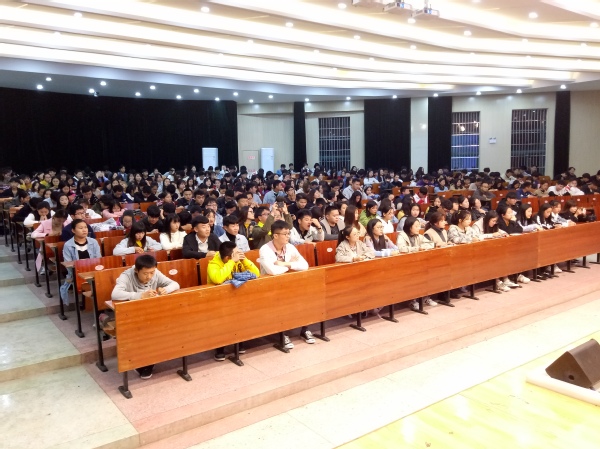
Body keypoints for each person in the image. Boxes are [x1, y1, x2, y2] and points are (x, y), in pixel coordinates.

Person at [111, 254, 180, 379]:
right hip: (131, 315)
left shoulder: (155, 272)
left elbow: (175, 284)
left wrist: (166, 290)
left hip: (151, 313)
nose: (149, 277)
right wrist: (140, 295)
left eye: (152, 273)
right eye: (145, 274)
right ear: (136, 270)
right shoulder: (126, 276)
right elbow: (115, 294)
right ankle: (143, 362)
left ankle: (149, 361)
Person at [258, 220, 312, 348]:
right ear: (275, 235)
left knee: (306, 297)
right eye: (285, 234)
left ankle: (305, 329)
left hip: (289, 283)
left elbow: (305, 265)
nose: (288, 236)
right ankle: (282, 334)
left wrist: (284, 264)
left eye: (289, 234)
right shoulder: (265, 249)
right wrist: (292, 265)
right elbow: (272, 271)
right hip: (270, 286)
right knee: (281, 303)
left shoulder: (290, 247)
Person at [208, 241, 260, 361]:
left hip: (236, 296)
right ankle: (220, 348)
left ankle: (239, 342)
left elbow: (256, 273)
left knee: (242, 315)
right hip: (218, 299)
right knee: (222, 322)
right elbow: (217, 279)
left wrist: (244, 260)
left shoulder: (238, 261)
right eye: (236, 253)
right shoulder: (213, 264)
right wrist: (232, 262)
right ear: (228, 257)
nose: (239, 254)